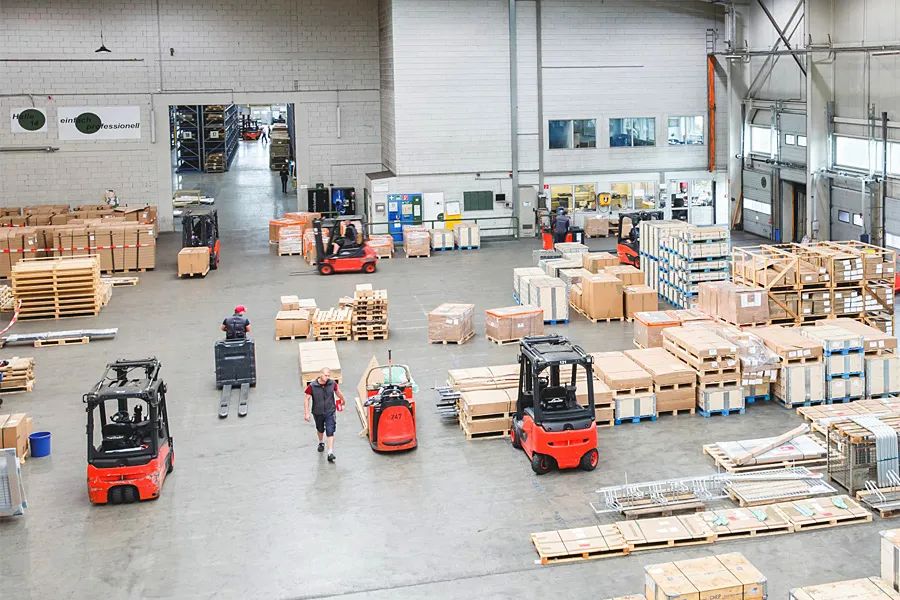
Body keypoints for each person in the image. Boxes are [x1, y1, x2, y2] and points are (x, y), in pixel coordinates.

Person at [304, 368, 345, 463]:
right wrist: (306, 413)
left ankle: (330, 452)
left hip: (330, 411)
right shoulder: (312, 386)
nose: (327, 377)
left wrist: (343, 400)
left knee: (330, 430)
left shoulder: (332, 384)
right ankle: (321, 442)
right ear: (321, 374)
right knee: (320, 429)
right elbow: (306, 399)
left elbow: (338, 392)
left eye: (328, 376)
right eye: (326, 375)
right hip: (317, 412)